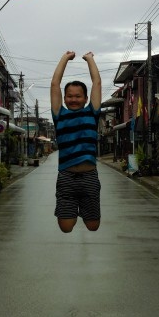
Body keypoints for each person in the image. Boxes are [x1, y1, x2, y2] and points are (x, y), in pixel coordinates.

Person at [50, 51, 102, 233]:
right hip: (66, 177)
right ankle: (72, 208)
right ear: (64, 98)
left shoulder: (92, 113)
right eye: (69, 96)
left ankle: (85, 208)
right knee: (66, 228)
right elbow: (55, 84)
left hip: (89, 177)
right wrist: (65, 58)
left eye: (78, 96)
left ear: (86, 98)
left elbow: (97, 83)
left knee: (93, 227)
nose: (73, 99)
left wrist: (90, 59)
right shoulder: (59, 115)